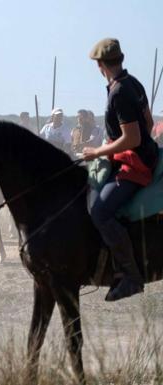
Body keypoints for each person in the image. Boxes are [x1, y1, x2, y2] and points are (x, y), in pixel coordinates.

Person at [83, 38, 158, 301]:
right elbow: (148, 122)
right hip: (135, 156)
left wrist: (99, 152)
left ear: (100, 65)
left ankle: (131, 276)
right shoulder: (133, 82)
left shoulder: (118, 92)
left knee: (100, 211)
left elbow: (134, 137)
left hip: (135, 165)